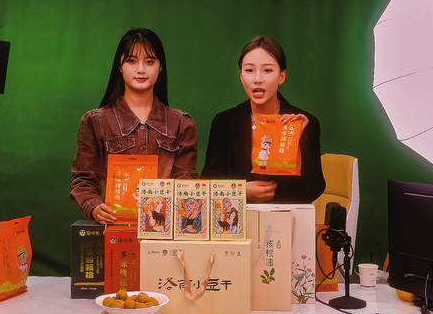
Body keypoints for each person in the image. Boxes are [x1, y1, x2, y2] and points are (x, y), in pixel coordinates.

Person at [70, 28, 198, 224]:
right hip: (115, 227)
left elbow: (186, 181)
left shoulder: (182, 123)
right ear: (119, 66)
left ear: (160, 67)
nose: (141, 69)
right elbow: (83, 180)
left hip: (163, 228)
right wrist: (94, 207)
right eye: (131, 60)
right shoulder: (96, 121)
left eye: (149, 61)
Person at [202, 36, 325, 204]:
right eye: (249, 70)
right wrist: (240, 191)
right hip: (239, 218)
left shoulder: (304, 122)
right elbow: (208, 184)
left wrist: (299, 140)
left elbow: (313, 191)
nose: (257, 79)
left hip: (286, 218)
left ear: (282, 76)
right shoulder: (224, 123)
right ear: (241, 75)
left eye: (267, 70)